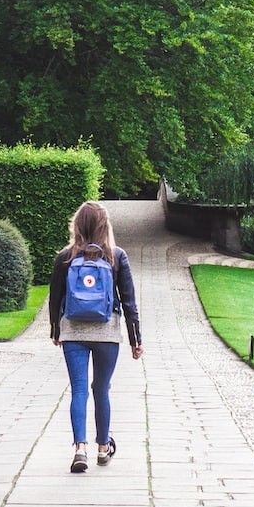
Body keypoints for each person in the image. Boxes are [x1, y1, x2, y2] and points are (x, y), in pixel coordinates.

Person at [49, 201, 143, 474]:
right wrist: (135, 339)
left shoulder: (66, 257)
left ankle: (80, 448)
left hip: (73, 331)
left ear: (77, 225)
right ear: (105, 225)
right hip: (107, 332)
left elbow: (55, 299)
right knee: (101, 389)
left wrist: (56, 330)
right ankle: (103, 448)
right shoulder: (116, 256)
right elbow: (129, 302)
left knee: (78, 389)